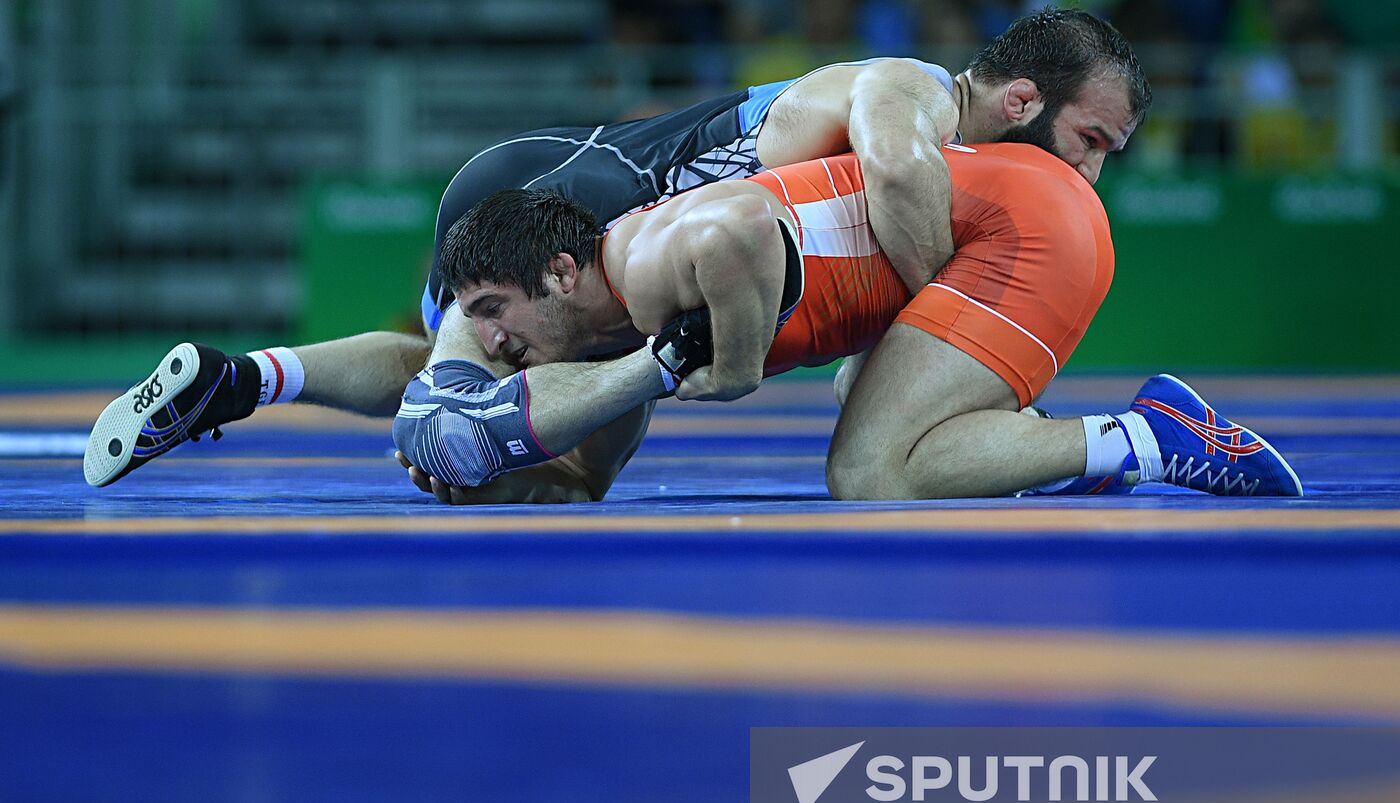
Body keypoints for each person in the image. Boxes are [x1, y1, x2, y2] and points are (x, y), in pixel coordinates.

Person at [85, 9, 1148, 493]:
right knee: (456, 422)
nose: (1088, 171)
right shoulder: (914, 89)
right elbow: (898, 175)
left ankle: (244, 378)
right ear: (1021, 99)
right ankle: (439, 424)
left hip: (579, 194)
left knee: (520, 424)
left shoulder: (958, 142)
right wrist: (925, 326)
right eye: (1090, 140)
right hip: (586, 210)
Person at [392, 140, 1301, 503]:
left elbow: (741, 223)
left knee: (869, 471)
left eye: (492, 311)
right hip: (1005, 213)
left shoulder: (639, 260)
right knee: (865, 398)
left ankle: (1148, 436)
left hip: (1021, 227)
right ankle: (1073, 455)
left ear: (560, 272)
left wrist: (736, 365)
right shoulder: (618, 319)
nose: (491, 341)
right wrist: (527, 477)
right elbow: (593, 465)